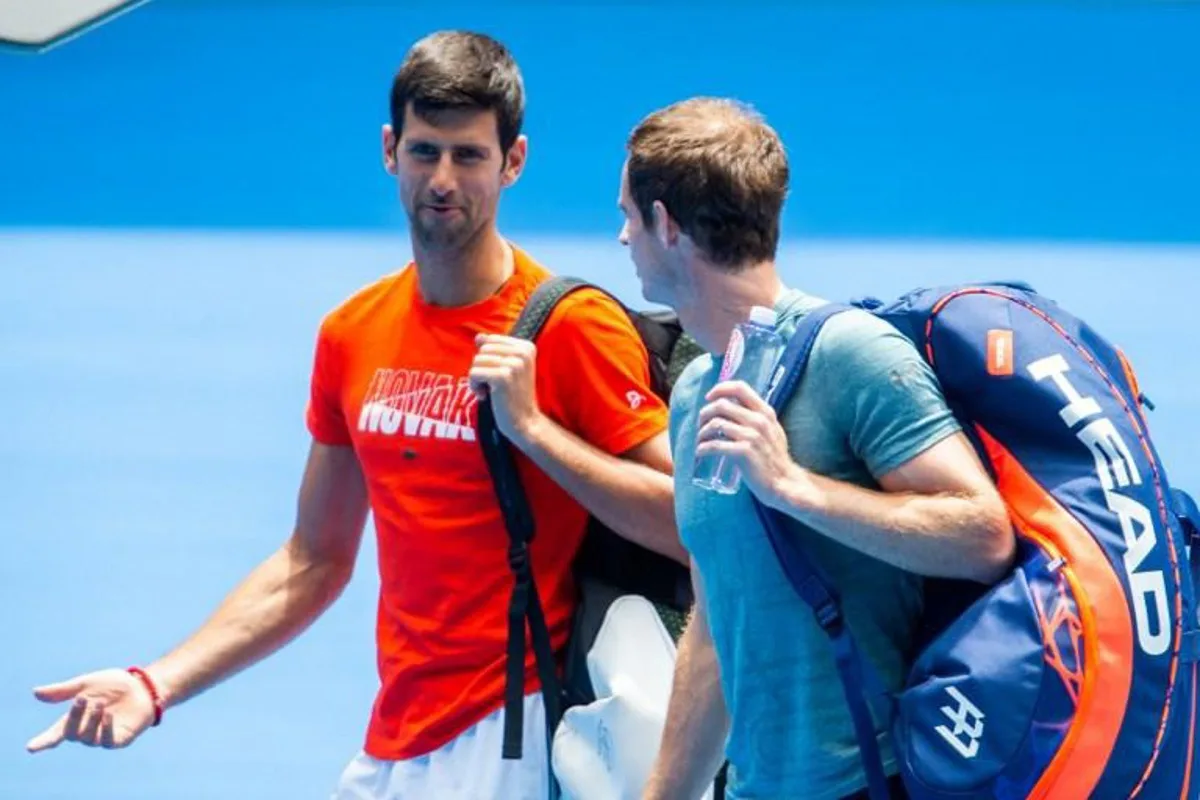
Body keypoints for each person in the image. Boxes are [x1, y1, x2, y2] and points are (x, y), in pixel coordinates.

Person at [26, 30, 684, 800]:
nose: (443, 179)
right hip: (395, 740)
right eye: (424, 151)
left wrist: (535, 434)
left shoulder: (567, 328)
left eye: (469, 156)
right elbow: (313, 559)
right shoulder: (352, 333)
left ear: (513, 162)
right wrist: (156, 683)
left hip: (517, 728)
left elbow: (689, 524)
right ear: (388, 150)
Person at [616, 97, 1016, 800]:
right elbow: (715, 630)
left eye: (628, 216)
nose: (623, 239)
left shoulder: (851, 355)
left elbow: (982, 536)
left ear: (665, 224)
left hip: (875, 783)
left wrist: (794, 487)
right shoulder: (695, 392)